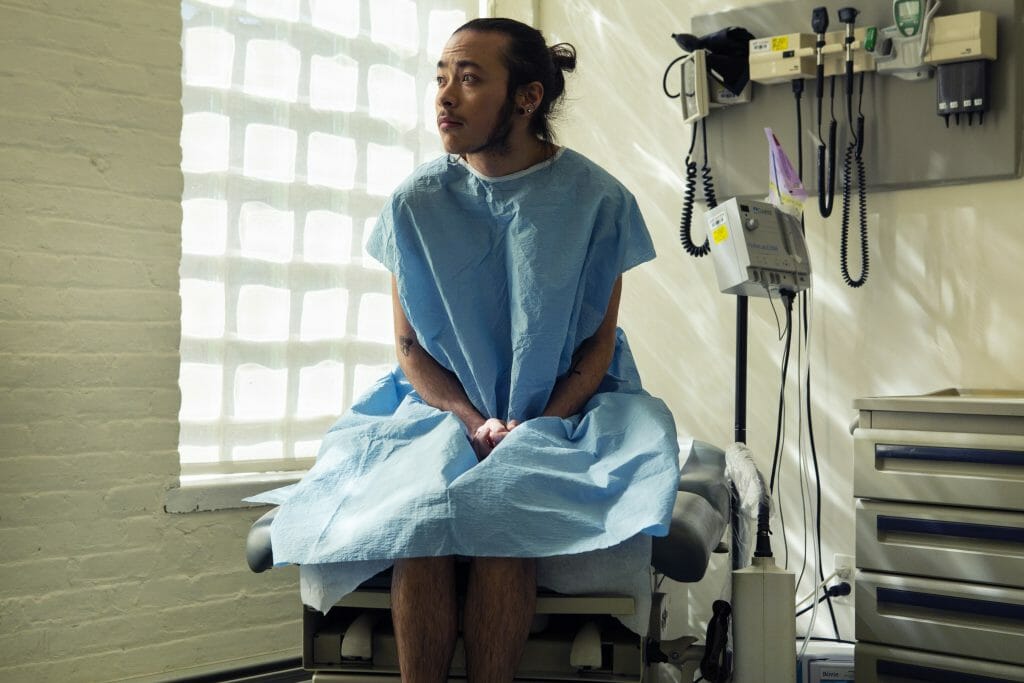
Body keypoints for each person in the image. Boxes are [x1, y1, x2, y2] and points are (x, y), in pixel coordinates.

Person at [250, 17, 680, 683]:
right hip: (438, 405)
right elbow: (409, 346)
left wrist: (536, 423)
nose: (445, 95)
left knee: (504, 504)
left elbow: (597, 348)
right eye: (442, 76)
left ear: (527, 98)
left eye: (470, 78)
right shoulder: (414, 204)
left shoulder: (598, 203)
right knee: (423, 511)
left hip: (568, 410)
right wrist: (464, 417)